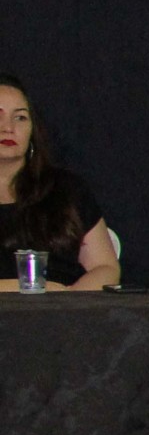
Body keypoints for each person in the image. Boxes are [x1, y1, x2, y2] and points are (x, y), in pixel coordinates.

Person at [0, 76, 120, 291]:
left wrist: (65, 301)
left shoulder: (66, 189)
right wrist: (21, 289)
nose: (8, 128)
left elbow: (105, 267)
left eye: (20, 118)